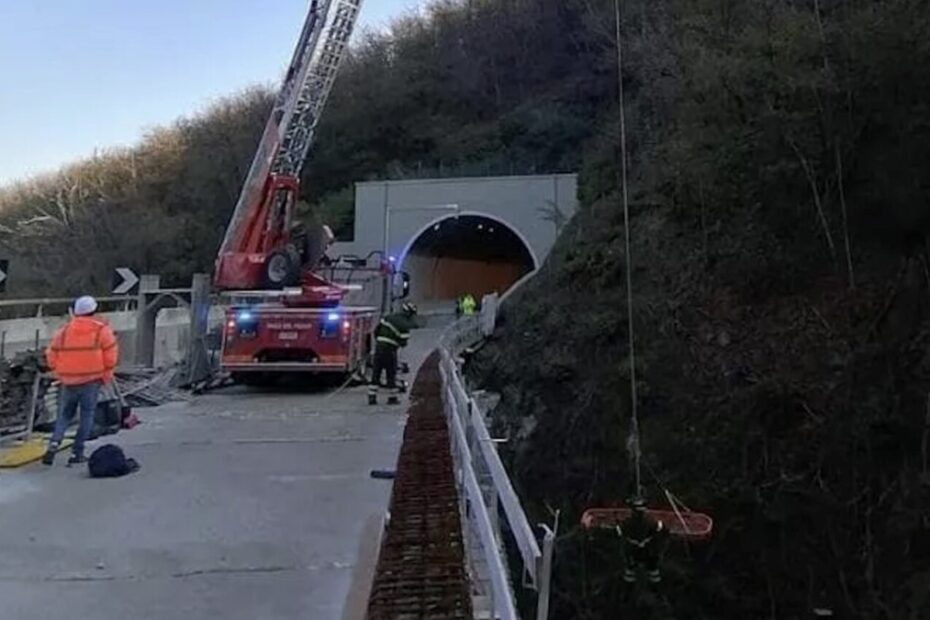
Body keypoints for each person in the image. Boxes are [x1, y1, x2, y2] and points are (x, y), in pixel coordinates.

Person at [42, 296, 119, 466]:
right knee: (86, 416)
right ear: (94, 311)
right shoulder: (101, 330)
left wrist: (59, 370)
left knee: (64, 415)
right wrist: (105, 374)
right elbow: (111, 357)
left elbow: (51, 354)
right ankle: (77, 452)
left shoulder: (64, 331)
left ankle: (54, 443)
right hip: (91, 381)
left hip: (68, 381)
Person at [368, 302, 417, 406]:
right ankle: (392, 398)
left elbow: (376, 331)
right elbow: (403, 342)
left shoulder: (388, 317)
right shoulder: (404, 325)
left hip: (379, 348)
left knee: (376, 372)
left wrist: (379, 342)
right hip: (390, 351)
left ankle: (372, 397)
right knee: (391, 373)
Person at [618, 496, 666, 585]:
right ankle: (657, 591)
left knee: (631, 574)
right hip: (647, 552)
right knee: (652, 573)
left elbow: (621, 533)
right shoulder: (651, 521)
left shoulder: (626, 522)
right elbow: (661, 530)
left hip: (635, 552)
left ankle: (627, 592)